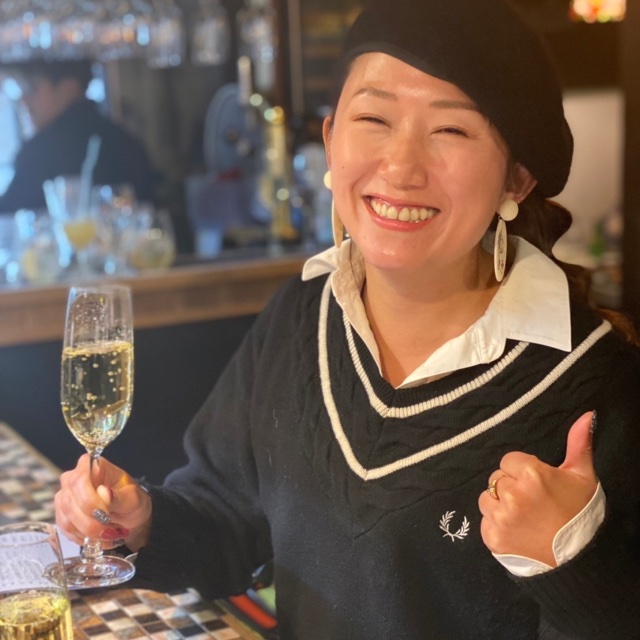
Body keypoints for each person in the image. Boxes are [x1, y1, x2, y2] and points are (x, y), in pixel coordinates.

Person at [54, 0, 640, 637]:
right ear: (331, 141)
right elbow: (228, 522)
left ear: (516, 180)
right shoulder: (302, 314)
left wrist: (571, 561)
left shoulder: (598, 385)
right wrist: (141, 522)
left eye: (451, 130)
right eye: (374, 118)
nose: (401, 167)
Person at [0, 59, 158, 213]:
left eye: (32, 89)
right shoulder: (124, 138)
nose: (24, 101)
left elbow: (8, 213)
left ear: (69, 87)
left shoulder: (41, 150)